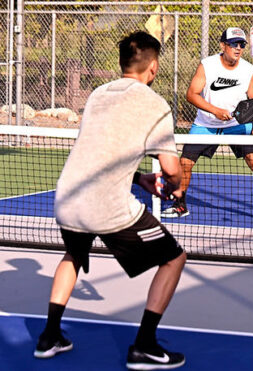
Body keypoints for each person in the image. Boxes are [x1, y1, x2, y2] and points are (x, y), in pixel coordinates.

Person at [34, 31, 187, 370]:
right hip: (107, 206)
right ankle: (145, 345)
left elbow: (96, 154)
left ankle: (49, 336)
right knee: (175, 258)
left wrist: (136, 179)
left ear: (121, 64)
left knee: (73, 254)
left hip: (68, 198)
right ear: (154, 67)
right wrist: (176, 185)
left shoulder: (97, 95)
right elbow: (171, 169)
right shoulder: (155, 104)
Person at [161, 27, 253, 225]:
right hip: (205, 124)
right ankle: (180, 205)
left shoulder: (248, 70)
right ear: (223, 45)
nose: (238, 48)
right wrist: (215, 111)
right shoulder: (207, 65)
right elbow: (191, 94)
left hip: (236, 125)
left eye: (242, 44)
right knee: (184, 163)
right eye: (234, 44)